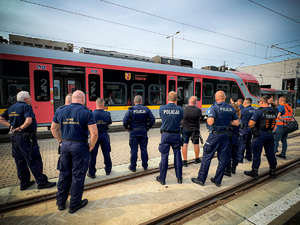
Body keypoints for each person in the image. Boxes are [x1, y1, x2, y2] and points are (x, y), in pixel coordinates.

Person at [51, 90, 98, 213]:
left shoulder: (60, 110)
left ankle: (60, 202)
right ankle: (74, 204)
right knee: (78, 176)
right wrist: (91, 146)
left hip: (65, 146)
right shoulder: (86, 112)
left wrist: (61, 141)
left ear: (72, 99)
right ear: (82, 99)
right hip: (80, 146)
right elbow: (94, 133)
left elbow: (54, 128)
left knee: (64, 174)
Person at [0, 91, 56, 191]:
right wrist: (21, 128)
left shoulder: (12, 108)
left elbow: (1, 118)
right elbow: (29, 120)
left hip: (15, 138)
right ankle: (42, 182)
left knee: (20, 161)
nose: (31, 98)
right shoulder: (26, 107)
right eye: (29, 96)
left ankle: (24, 183)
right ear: (25, 99)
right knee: (34, 159)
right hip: (26, 138)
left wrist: (11, 126)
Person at [191, 91, 239, 187]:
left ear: (216, 98)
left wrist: (210, 119)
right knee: (222, 158)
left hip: (215, 135)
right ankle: (218, 180)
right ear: (224, 97)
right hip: (226, 135)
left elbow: (210, 122)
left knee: (207, 157)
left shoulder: (214, 107)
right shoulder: (230, 108)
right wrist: (226, 123)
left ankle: (201, 179)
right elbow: (237, 123)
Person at [244, 96, 278, 179]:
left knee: (256, 155)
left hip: (259, 135)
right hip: (270, 135)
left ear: (262, 102)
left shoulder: (259, 111)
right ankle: (273, 171)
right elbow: (275, 107)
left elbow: (251, 124)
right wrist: (271, 102)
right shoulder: (274, 111)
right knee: (270, 154)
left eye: (259, 102)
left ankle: (254, 172)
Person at [156, 91, 184, 185]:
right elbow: (181, 119)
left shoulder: (162, 108)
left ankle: (162, 179)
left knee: (164, 156)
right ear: (176, 99)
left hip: (165, 135)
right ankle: (179, 178)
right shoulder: (180, 109)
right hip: (176, 135)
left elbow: (162, 118)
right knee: (177, 156)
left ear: (167, 98)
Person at [123, 95, 155, 172]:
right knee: (143, 148)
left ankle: (133, 167)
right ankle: (145, 166)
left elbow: (125, 120)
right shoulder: (146, 109)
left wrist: (127, 128)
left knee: (134, 149)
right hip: (143, 131)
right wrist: (148, 127)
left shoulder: (131, 109)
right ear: (141, 101)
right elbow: (153, 119)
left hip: (134, 132)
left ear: (134, 101)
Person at [88, 98, 112, 178]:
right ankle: (108, 170)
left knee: (93, 155)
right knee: (106, 153)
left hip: (94, 135)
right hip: (104, 135)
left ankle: (92, 173)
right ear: (103, 104)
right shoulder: (107, 114)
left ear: (96, 104)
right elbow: (108, 125)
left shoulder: (91, 114)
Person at [181, 96, 202, 167]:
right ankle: (196, 159)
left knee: (185, 144)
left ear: (189, 101)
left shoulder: (184, 109)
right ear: (196, 102)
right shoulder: (198, 110)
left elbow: (181, 119)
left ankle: (184, 161)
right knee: (196, 144)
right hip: (195, 130)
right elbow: (199, 118)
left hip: (185, 129)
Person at [224, 103, 241, 177]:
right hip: (236, 137)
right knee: (235, 153)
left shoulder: (230, 119)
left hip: (229, 136)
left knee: (228, 153)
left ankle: (227, 170)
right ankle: (233, 168)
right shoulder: (238, 118)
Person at [238, 98, 255, 163]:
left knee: (242, 143)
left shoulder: (244, 110)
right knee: (249, 143)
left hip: (244, 129)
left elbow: (239, 117)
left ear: (245, 103)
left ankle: (240, 158)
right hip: (251, 129)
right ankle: (249, 157)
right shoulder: (254, 110)